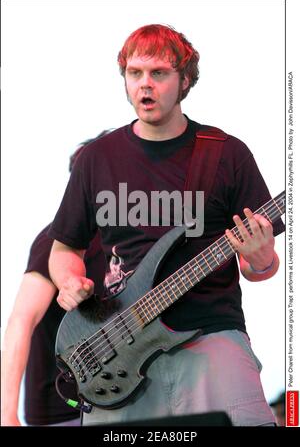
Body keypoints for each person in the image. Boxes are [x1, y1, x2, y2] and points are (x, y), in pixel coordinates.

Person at [48, 24, 285, 426]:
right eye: (135, 73)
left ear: (185, 80)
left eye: (159, 73)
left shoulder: (227, 154)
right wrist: (69, 282)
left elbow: (258, 268)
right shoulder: (97, 158)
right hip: (117, 347)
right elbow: (64, 250)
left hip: (211, 334)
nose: (145, 85)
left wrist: (261, 257)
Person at [1, 131, 111, 426]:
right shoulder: (56, 241)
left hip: (117, 401)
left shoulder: (130, 242)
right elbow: (21, 321)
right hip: (62, 409)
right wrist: (6, 413)